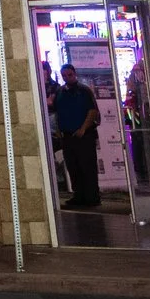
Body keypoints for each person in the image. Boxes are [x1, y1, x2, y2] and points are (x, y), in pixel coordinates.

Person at [52, 63, 102, 209]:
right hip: (67, 135)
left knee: (87, 166)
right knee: (73, 166)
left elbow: (92, 111)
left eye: (69, 75)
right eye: (64, 76)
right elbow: (57, 112)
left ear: (74, 74)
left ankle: (92, 197)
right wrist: (58, 130)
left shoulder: (84, 91)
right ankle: (78, 195)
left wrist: (83, 128)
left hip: (84, 135)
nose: (67, 78)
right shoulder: (60, 92)